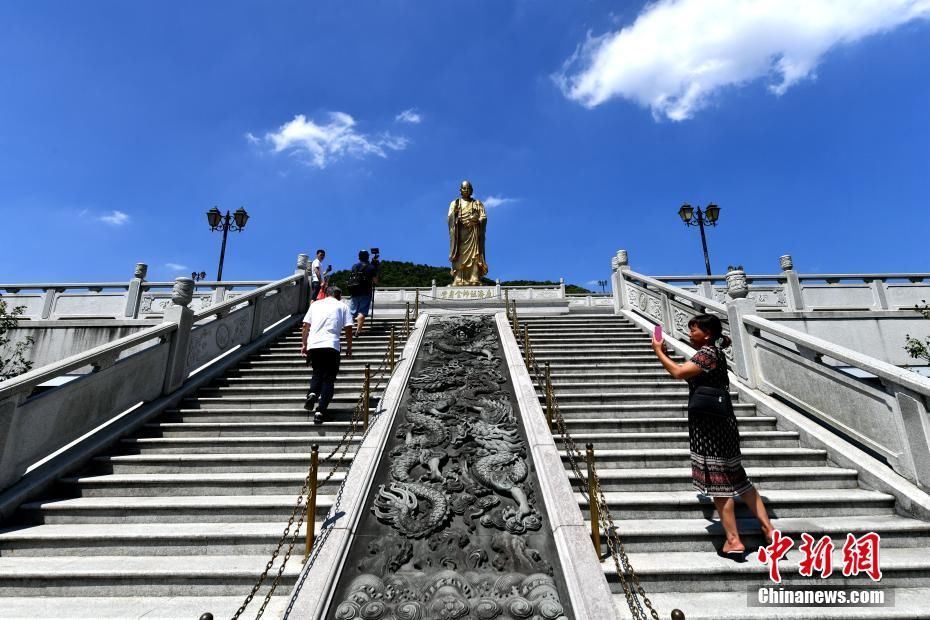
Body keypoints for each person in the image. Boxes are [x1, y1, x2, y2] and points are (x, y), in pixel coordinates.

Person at [650, 313, 775, 559]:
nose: (689, 333)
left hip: (710, 428)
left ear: (707, 334)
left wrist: (658, 351)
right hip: (723, 424)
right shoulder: (712, 352)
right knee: (740, 480)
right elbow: (690, 371)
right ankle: (768, 530)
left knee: (720, 484)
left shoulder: (707, 353)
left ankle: (733, 540)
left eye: (693, 329)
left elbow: (677, 372)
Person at [300, 285, 352, 424]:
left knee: (317, 373)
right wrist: (349, 346)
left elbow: (305, 326)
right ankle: (320, 411)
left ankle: (312, 394)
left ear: (326, 293)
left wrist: (304, 344)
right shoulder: (342, 306)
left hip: (314, 345)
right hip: (331, 345)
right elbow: (348, 328)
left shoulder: (315, 305)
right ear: (338, 295)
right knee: (328, 379)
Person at [448, 180, 489, 286]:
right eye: (464, 188)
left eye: (468, 188)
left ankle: (474, 277)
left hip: (473, 233)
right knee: (459, 255)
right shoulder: (455, 203)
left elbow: (483, 217)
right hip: (460, 234)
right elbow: (450, 218)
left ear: (472, 190)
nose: (466, 190)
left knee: (475, 255)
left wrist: (477, 220)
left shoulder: (477, 203)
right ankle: (458, 278)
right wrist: (455, 215)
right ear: (460, 190)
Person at [346, 250, 378, 336]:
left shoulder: (354, 266)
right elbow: (376, 281)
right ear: (368, 257)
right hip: (366, 292)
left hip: (354, 291)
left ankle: (348, 330)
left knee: (352, 313)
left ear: (359, 257)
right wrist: (375, 267)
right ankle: (358, 331)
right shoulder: (371, 267)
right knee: (362, 312)